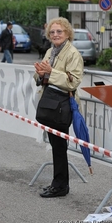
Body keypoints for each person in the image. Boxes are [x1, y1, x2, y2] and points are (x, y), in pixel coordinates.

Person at [33, 17, 84, 198]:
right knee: (56, 145)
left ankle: (60, 186)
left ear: (67, 33)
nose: (55, 35)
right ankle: (59, 184)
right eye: (52, 32)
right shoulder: (50, 51)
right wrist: (40, 75)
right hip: (50, 103)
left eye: (59, 31)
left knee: (60, 146)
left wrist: (50, 73)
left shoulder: (73, 54)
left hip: (62, 105)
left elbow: (73, 81)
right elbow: (40, 75)